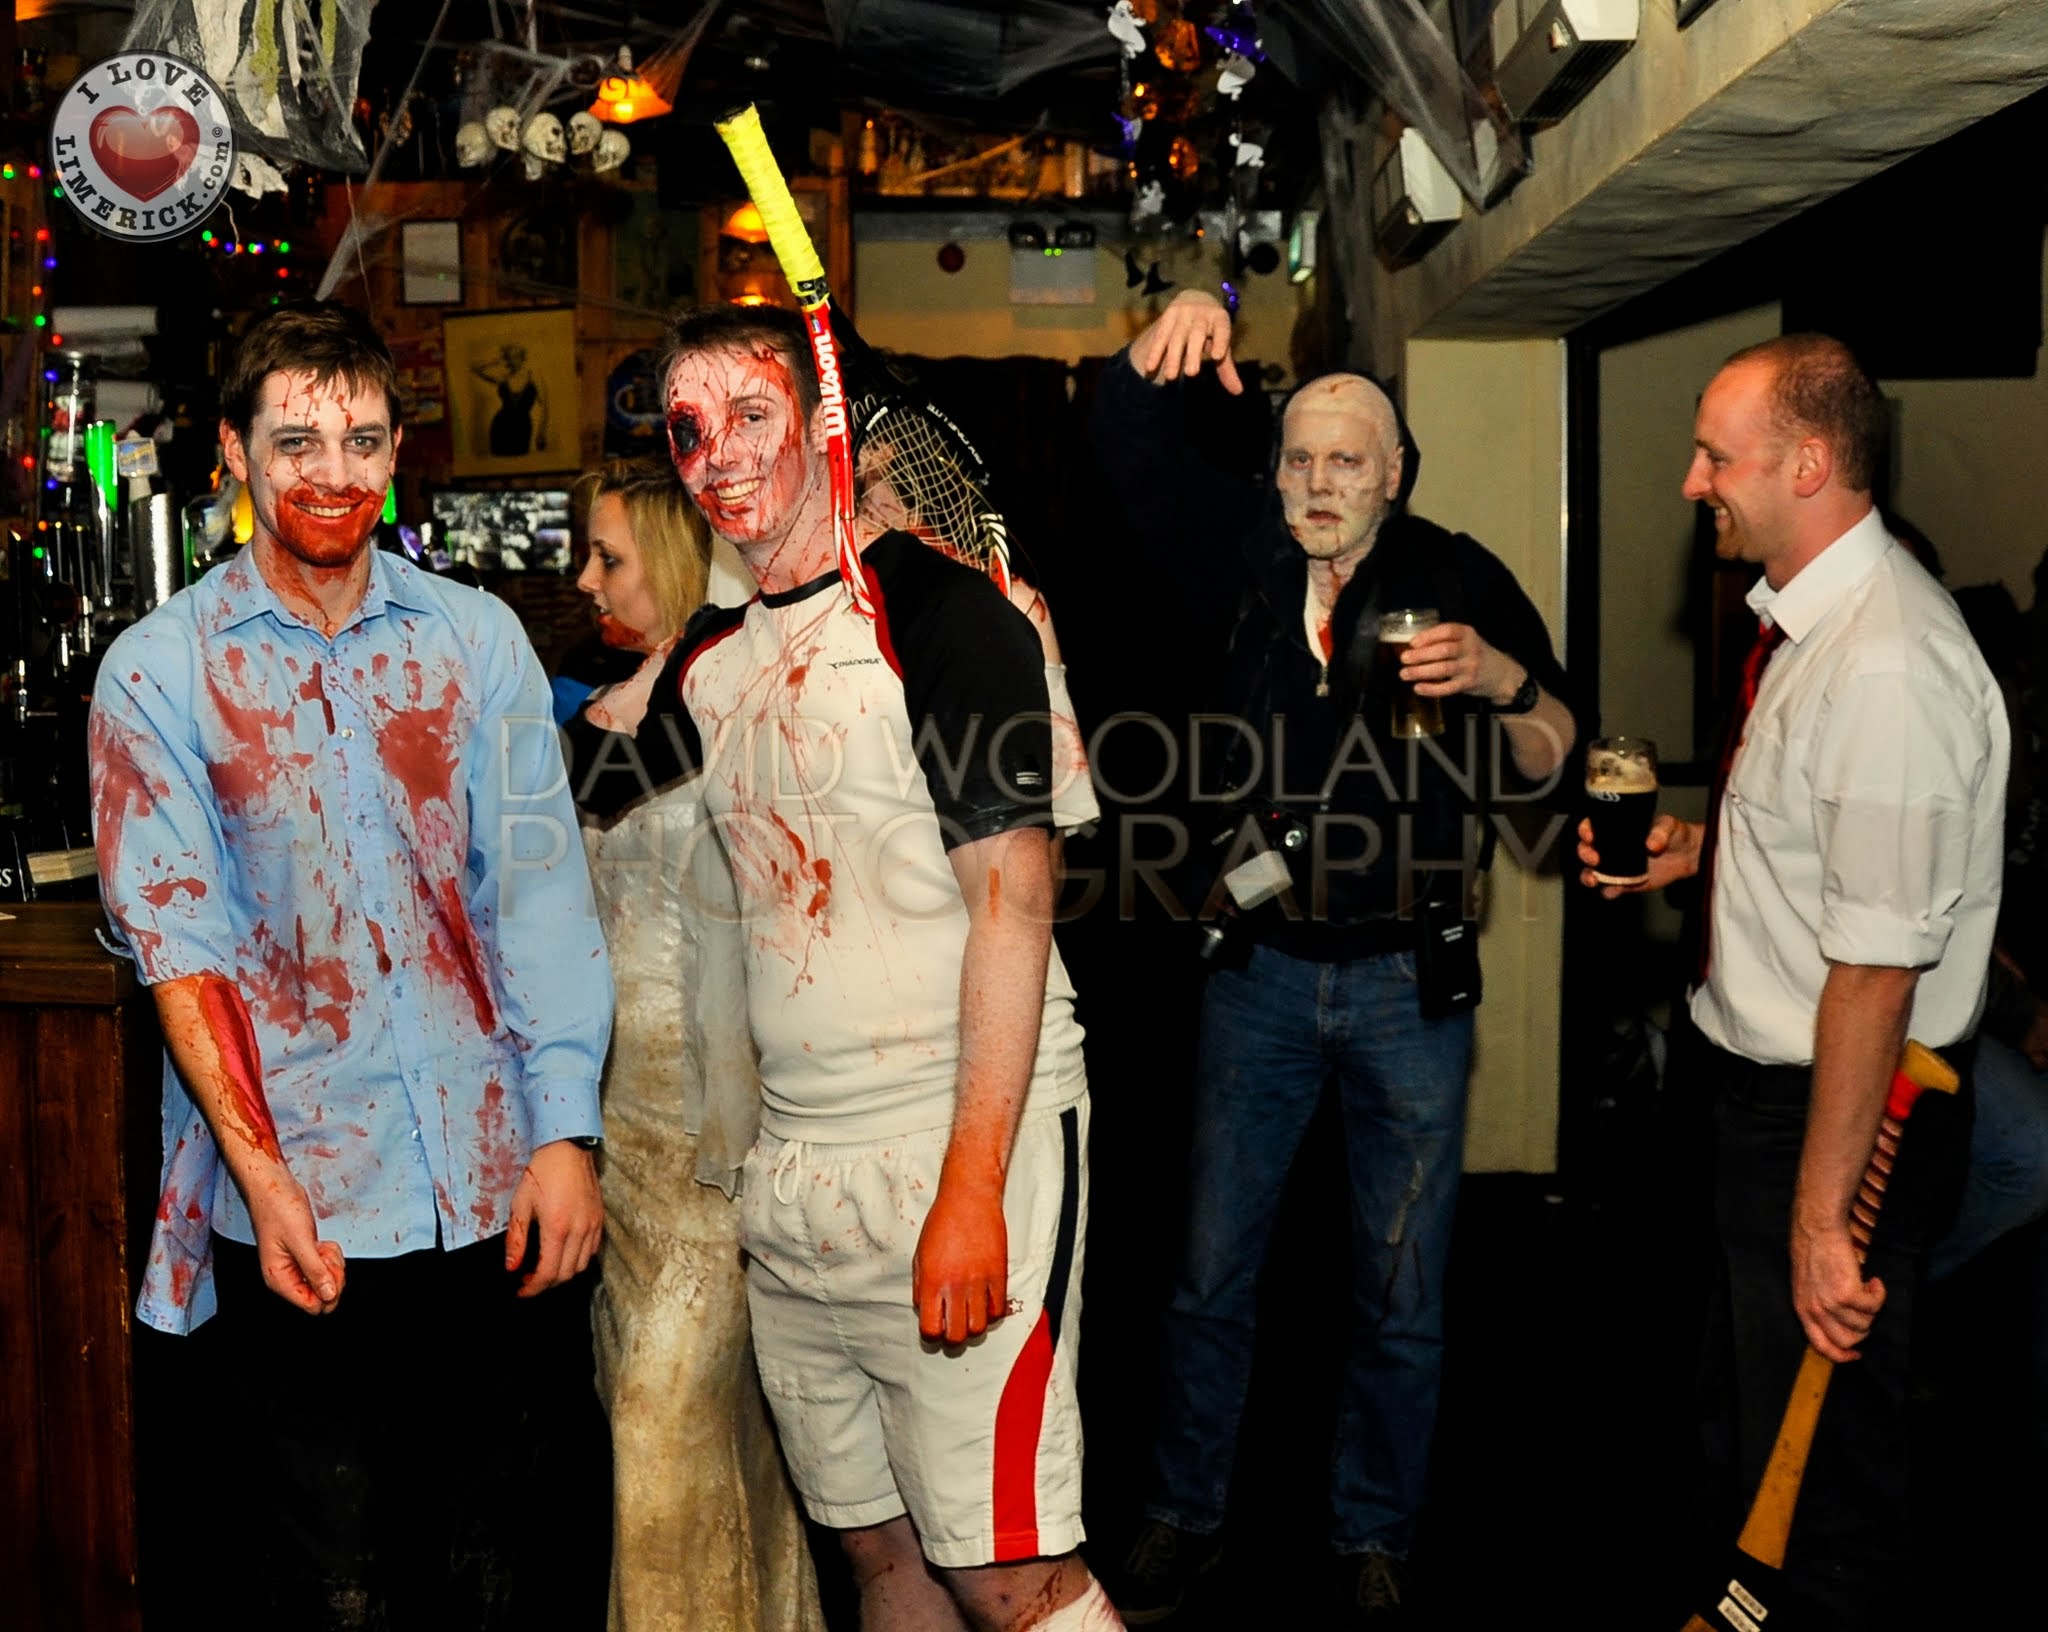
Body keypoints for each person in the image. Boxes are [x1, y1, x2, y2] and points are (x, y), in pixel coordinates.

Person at [569, 304, 1120, 1632]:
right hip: (793, 1170)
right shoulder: (714, 658)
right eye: (689, 430)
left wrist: (972, 1190)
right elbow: (584, 782)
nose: (716, 454)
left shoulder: (951, 619)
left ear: (826, 422)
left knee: (1008, 1573)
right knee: (880, 1556)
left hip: (958, 1140)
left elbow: (1016, 907)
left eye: (750, 415)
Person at [88, 301, 612, 1629]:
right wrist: (265, 1188)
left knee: (503, 1583)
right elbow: (185, 960)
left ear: (395, 452)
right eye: (297, 441)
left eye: (363, 440)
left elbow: (539, 901)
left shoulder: (478, 641)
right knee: (335, 1592)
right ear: (233, 453)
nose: (334, 471)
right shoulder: (160, 673)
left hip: (497, 1194)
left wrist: (565, 1134)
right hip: (303, 1215)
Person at [1092, 289, 1579, 1625]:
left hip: (1408, 983)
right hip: (1255, 974)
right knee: (1207, 1273)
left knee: (1399, 1287)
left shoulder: (1458, 579)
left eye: (1346, 461)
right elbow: (1123, 444)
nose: (1318, 482)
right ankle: (1182, 1516)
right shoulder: (1240, 561)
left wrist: (1502, 681)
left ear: (1394, 474)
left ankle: (1376, 1534)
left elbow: (1556, 755)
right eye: (1299, 458)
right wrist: (1156, 341)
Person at [1577, 333, 2007, 1630]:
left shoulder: (1883, 663)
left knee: (1821, 1485)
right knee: (1745, 1431)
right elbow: (1834, 851)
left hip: (1840, 1113)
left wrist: (1823, 1223)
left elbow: (1873, 978)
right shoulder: (1807, 625)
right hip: (1765, 1099)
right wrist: (1708, 854)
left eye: (1715, 457)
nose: (1692, 483)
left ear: (1808, 463)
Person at [567, 460, 825, 1630]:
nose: (585, 580)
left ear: (676, 564)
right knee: (673, 1417)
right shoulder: (593, 714)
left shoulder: (743, 706)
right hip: (609, 1130)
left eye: (609, 557)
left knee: (664, 1414)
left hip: (719, 1129)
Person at [475, 341, 547, 457]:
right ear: (506, 359)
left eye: (516, 356)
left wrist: (541, 431)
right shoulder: (503, 378)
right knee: (500, 462)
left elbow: (545, 407)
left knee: (520, 461)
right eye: (509, 357)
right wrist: (494, 361)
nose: (513, 360)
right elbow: (475, 369)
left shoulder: (534, 377)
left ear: (523, 357)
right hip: (501, 426)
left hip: (522, 427)